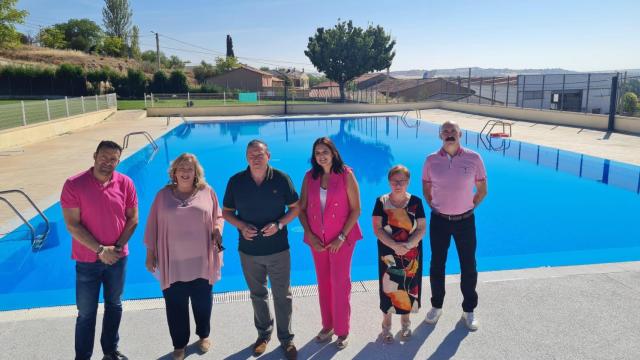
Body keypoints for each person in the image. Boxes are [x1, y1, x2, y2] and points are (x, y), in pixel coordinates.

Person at [222, 139, 300, 360]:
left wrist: (280, 224)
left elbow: (295, 208)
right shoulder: (236, 181)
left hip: (278, 249)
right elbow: (226, 212)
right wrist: (241, 226)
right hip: (248, 251)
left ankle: (286, 339)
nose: (256, 158)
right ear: (246, 157)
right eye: (251, 155)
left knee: (282, 296)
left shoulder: (282, 179)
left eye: (260, 154)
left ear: (268, 155)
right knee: (258, 294)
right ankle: (263, 335)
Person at [61, 140, 138, 360]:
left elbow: (133, 218)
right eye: (104, 157)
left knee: (114, 305)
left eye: (113, 159)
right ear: (94, 155)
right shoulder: (74, 184)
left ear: (118, 161)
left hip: (117, 259)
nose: (108, 162)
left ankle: (110, 351)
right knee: (86, 313)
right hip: (87, 260)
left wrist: (118, 247)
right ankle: (83, 357)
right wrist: (100, 249)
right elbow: (72, 225)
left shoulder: (125, 183)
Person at [144, 153, 224, 360]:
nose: (185, 172)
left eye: (190, 169)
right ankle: (179, 345)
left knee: (203, 302)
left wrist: (217, 227)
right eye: (182, 168)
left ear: (196, 172)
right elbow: (152, 225)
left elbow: (218, 215)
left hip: (202, 260)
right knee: (175, 305)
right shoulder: (162, 196)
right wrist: (150, 253)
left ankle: (204, 335)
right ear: (174, 172)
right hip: (173, 262)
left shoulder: (207, 191)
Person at [422, 120, 488, 331]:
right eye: (445, 131)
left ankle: (468, 310)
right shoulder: (431, 160)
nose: (449, 134)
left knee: (468, 265)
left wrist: (469, 206)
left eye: (453, 131)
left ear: (460, 134)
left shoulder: (474, 158)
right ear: (440, 136)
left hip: (465, 221)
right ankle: (436, 306)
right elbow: (426, 189)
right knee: (437, 264)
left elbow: (482, 190)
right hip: (439, 221)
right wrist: (439, 207)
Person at [298, 137, 362, 349]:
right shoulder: (310, 177)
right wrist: (310, 235)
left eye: (325, 151)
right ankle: (328, 325)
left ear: (333, 153)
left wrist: (342, 237)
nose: (321, 156)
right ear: (314, 157)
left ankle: (342, 330)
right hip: (318, 241)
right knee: (323, 282)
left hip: (342, 240)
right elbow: (302, 209)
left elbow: (356, 209)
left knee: (340, 283)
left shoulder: (346, 174)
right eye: (317, 153)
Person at [372, 165, 426, 343]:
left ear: (408, 182)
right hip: (388, 254)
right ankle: (386, 325)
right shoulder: (381, 202)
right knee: (389, 289)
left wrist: (409, 244)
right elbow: (377, 229)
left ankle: (406, 323)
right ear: (389, 181)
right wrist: (395, 246)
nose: (398, 184)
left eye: (402, 181)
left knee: (408, 287)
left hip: (411, 253)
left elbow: (422, 229)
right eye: (394, 181)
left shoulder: (416, 202)